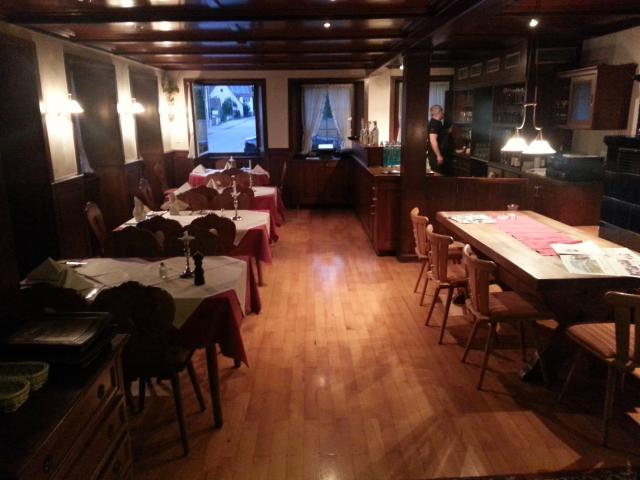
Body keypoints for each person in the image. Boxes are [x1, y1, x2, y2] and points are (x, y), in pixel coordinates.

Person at [427, 104, 453, 176]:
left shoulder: (438, 123)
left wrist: (448, 131)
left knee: (441, 176)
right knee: (438, 177)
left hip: (439, 154)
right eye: (442, 111)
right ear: (438, 112)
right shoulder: (434, 123)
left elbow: (441, 134)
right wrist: (439, 156)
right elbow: (433, 140)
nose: (443, 113)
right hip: (435, 155)